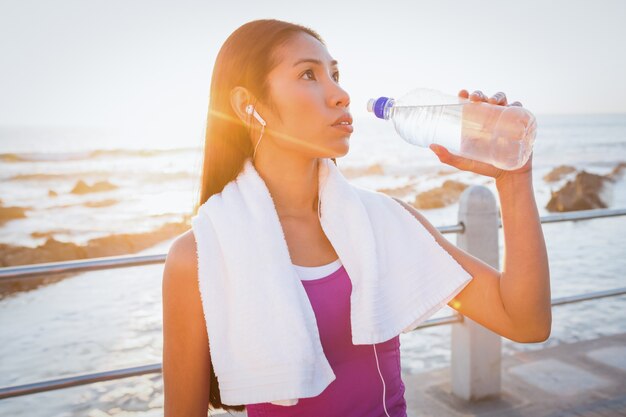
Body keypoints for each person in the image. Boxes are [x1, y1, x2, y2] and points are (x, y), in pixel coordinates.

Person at [161, 19, 551, 417]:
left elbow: (525, 321)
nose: (341, 94)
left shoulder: (383, 223)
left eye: (335, 74)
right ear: (249, 105)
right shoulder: (199, 257)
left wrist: (513, 178)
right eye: (309, 74)